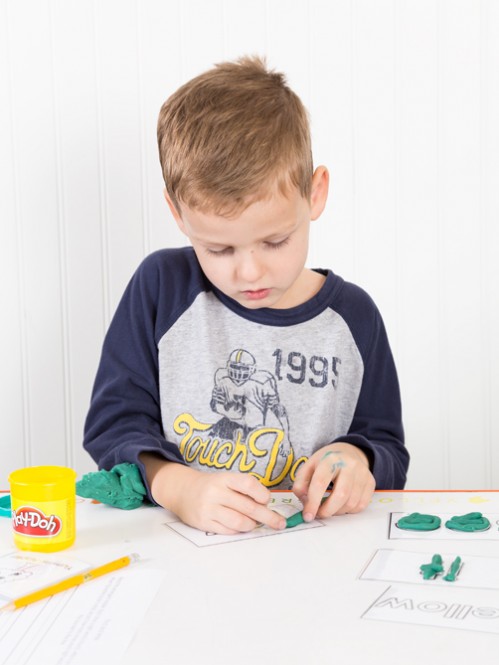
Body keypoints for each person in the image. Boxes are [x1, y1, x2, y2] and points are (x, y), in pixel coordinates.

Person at [83, 56, 409, 535]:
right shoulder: (162, 288)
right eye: (218, 248)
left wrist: (356, 459)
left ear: (314, 194)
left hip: (312, 560)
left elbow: (386, 448)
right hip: (180, 550)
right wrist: (179, 487)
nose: (249, 271)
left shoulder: (353, 319)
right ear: (178, 213)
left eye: (275, 241)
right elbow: (112, 425)